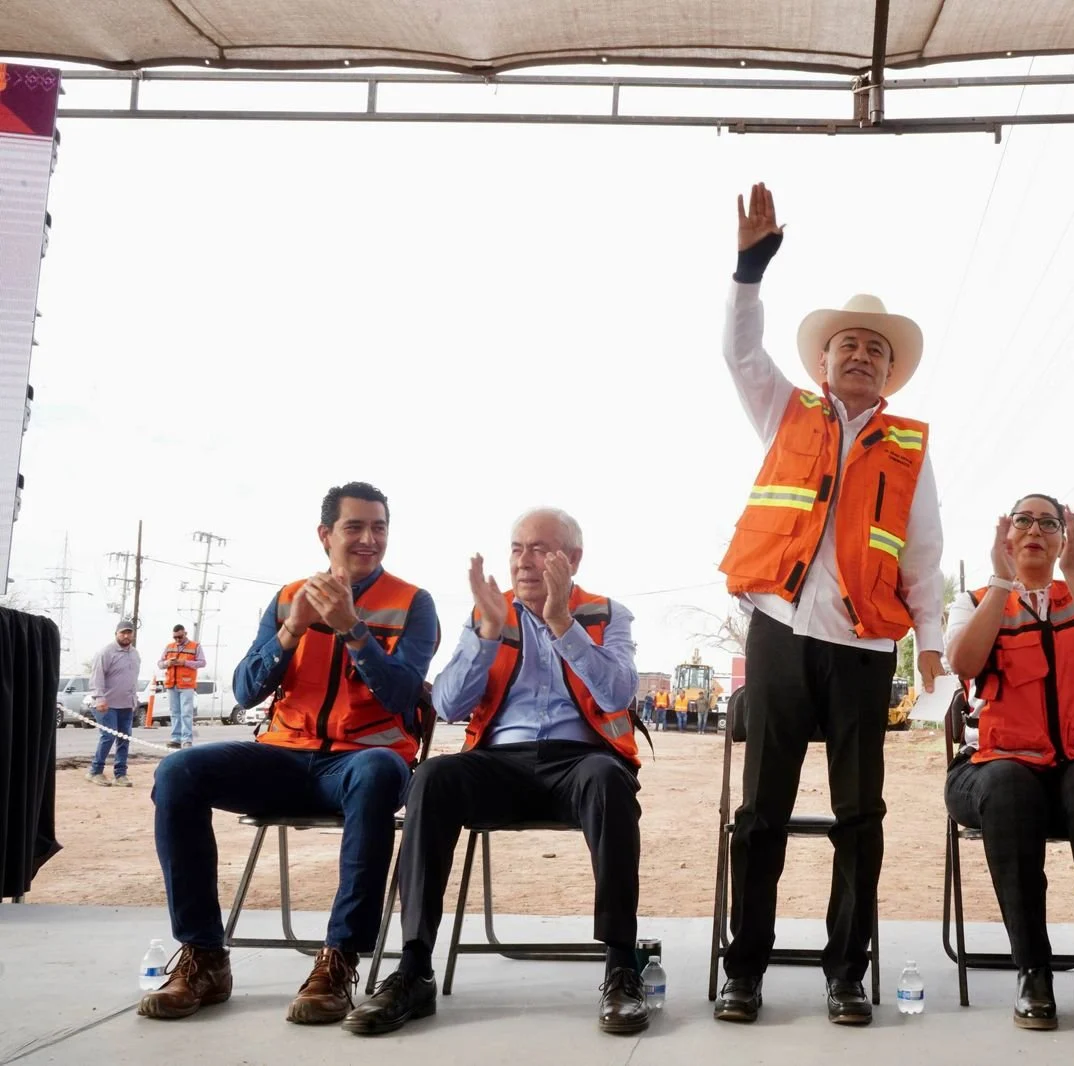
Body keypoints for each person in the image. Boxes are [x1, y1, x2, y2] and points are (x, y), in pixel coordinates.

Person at [714, 183, 945, 1026]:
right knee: (761, 812)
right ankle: (746, 969)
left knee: (860, 815)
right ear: (821, 362)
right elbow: (741, 354)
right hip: (779, 632)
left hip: (863, 648)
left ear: (890, 372)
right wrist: (750, 270)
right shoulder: (785, 411)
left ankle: (847, 972)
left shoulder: (910, 450)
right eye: (846, 345)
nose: (859, 357)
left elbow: (923, 560)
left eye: (874, 352)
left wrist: (934, 650)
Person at [139, 482, 439, 1027]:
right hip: (282, 755)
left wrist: (353, 630)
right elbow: (244, 689)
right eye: (355, 527)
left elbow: (401, 692)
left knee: (375, 772)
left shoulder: (413, 603)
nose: (369, 539)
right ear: (326, 535)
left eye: (379, 528)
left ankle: (339, 960)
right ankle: (205, 956)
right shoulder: (287, 597)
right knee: (179, 770)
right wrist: (292, 629)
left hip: (361, 761)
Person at [344, 508, 649, 1037]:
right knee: (434, 778)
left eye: (540, 549)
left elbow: (618, 693)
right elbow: (448, 702)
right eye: (516, 548)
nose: (524, 561)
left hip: (580, 764)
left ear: (572, 560)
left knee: (606, 780)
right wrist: (485, 635)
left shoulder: (606, 612)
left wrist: (561, 624)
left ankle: (621, 965)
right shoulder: (489, 611)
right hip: (499, 764)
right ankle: (414, 968)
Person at [944, 496, 1074, 1032]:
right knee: (1008, 786)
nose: (1034, 530)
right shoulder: (975, 599)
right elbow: (963, 662)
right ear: (1004, 534)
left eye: (1048, 523)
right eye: (1022, 521)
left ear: (1063, 537)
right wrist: (1003, 582)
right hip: (993, 766)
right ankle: (1032, 970)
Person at [88, 619, 142, 787]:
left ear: (132, 635)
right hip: (106, 704)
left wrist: (134, 700)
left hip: (126, 704)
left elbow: (132, 679)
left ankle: (120, 774)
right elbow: (97, 676)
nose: (126, 636)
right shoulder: (106, 652)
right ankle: (95, 771)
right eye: (122, 632)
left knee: (124, 739)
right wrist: (99, 698)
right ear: (116, 634)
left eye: (129, 633)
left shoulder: (135, 654)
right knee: (108, 736)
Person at [160, 623, 206, 749]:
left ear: (185, 633)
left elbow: (202, 663)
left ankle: (186, 740)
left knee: (186, 713)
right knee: (175, 712)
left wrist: (184, 662)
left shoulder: (195, 646)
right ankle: (176, 738)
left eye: (180, 637)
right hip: (171, 684)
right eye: (175, 637)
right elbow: (160, 663)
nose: (177, 640)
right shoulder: (169, 647)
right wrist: (167, 663)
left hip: (186, 685)